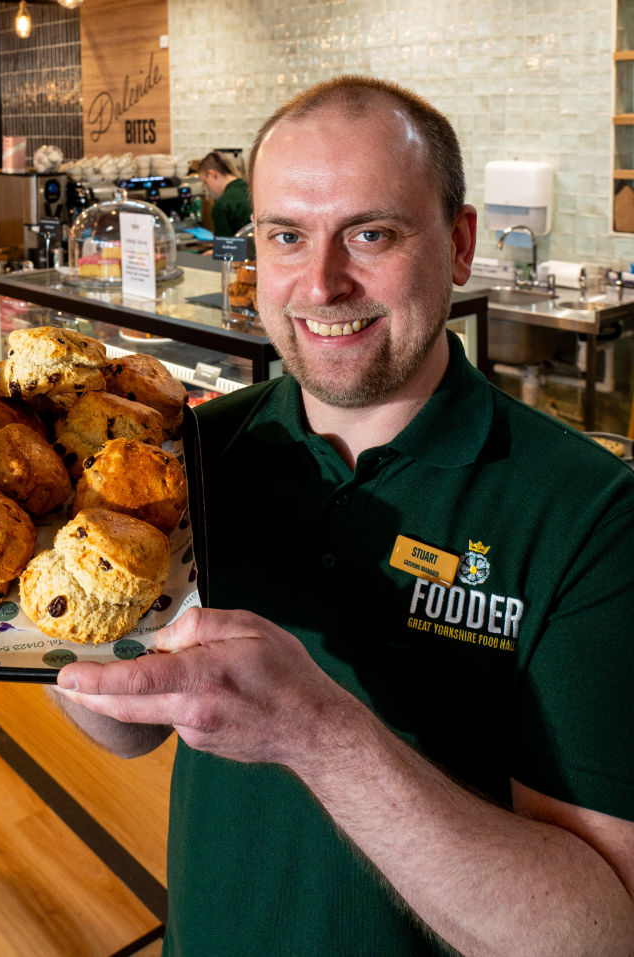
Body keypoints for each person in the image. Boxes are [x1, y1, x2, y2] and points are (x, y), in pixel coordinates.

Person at [50, 75, 634, 955]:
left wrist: (320, 735)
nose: (320, 284)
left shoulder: (589, 515)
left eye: (371, 233)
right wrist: (51, 618)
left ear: (461, 243)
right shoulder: (190, 459)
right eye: (287, 235)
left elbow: (594, 933)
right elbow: (125, 729)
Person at [198, 150, 251, 236]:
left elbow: (223, 247)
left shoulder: (222, 205)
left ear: (212, 174)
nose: (208, 188)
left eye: (206, 182)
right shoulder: (251, 187)